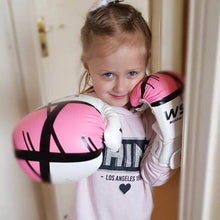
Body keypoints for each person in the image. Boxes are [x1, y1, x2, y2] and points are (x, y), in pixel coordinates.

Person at [67, 1, 182, 219]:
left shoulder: (148, 115)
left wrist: (169, 137)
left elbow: (154, 178)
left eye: (132, 73)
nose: (120, 87)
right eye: (108, 74)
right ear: (87, 66)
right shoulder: (81, 111)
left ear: (146, 62)